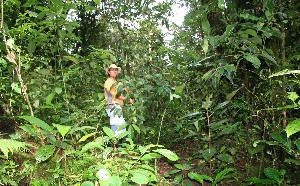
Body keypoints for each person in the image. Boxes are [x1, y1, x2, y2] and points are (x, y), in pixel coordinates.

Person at [104, 64, 134, 139]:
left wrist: (132, 91)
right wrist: (127, 99)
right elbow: (114, 95)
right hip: (112, 105)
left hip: (117, 105)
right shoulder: (109, 82)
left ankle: (117, 146)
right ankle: (117, 145)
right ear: (109, 72)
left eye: (116, 70)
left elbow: (124, 88)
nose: (114, 71)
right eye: (112, 70)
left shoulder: (117, 82)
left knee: (118, 126)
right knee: (118, 126)